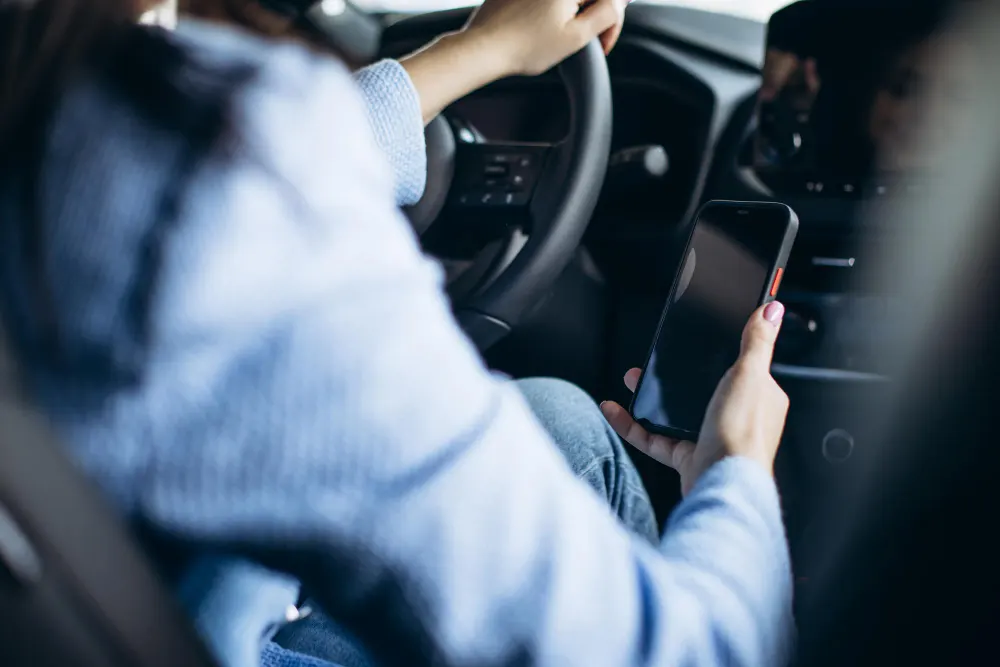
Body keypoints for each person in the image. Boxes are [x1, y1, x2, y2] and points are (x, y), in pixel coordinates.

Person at [0, 2, 794, 667]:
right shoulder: (201, 174)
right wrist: (737, 476)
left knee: (563, 422)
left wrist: (478, 52)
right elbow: (693, 649)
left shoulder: (43, 96)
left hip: (145, 604)